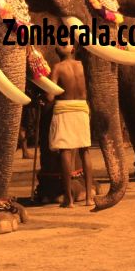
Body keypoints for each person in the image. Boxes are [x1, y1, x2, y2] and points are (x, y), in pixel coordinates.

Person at [47, 44, 92, 208]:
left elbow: (50, 96)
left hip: (64, 109)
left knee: (65, 150)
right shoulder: (82, 66)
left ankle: (69, 199)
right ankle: (89, 198)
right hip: (81, 109)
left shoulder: (58, 67)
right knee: (85, 150)